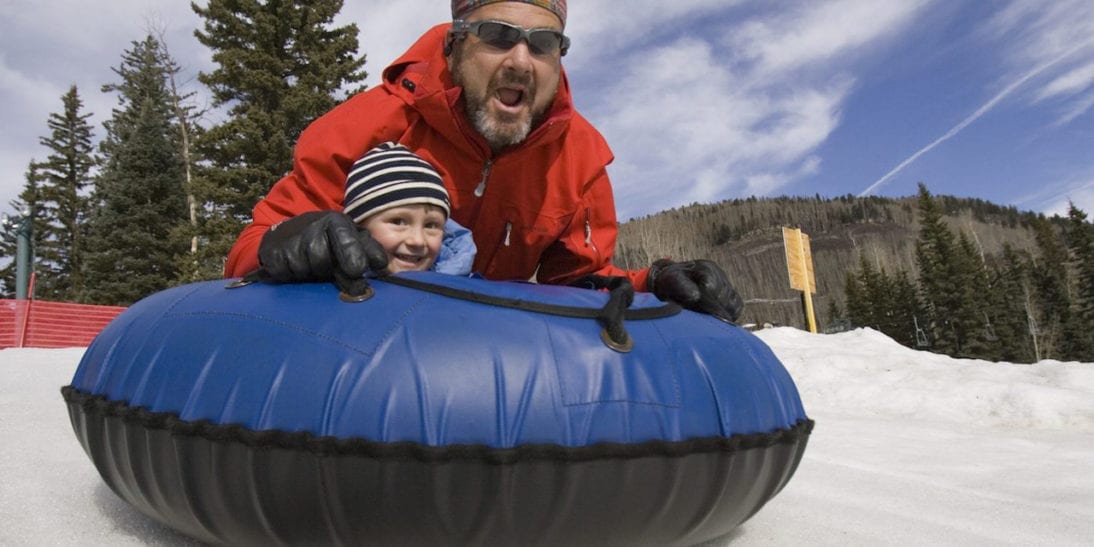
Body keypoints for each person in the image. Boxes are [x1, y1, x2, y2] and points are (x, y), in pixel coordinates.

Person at [225, 0, 744, 323]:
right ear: (454, 45)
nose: (520, 60)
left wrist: (651, 284)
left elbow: (577, 285)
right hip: (362, 342)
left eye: (543, 44)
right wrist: (289, 242)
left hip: (488, 358)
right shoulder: (367, 126)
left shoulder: (579, 157)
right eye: (497, 36)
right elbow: (250, 249)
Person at [343, 141, 477, 275]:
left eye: (431, 225)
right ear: (358, 226)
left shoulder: (462, 287)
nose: (417, 241)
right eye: (398, 222)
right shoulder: (330, 282)